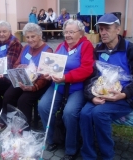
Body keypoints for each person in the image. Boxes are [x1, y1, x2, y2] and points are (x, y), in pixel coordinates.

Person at [80, 13, 133, 160]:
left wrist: (124, 94)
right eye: (101, 29)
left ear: (118, 30)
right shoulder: (98, 49)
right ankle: (88, 155)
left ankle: (107, 156)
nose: (103, 32)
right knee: (85, 113)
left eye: (107, 28)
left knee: (99, 114)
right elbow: (91, 77)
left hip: (126, 98)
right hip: (102, 95)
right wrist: (92, 96)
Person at [38, 19, 94, 160]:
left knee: (69, 113)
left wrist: (66, 77)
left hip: (77, 87)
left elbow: (87, 69)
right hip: (58, 85)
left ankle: (71, 148)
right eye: (66, 32)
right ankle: (51, 139)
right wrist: (48, 74)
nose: (68, 35)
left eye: (71, 32)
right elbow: (53, 66)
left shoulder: (86, 46)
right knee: (43, 106)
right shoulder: (61, 46)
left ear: (80, 33)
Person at [0, 23, 53, 131]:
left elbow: (45, 78)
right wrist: (21, 66)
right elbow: (16, 65)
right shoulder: (26, 48)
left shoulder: (47, 50)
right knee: (8, 96)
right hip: (23, 79)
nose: (30, 40)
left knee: (24, 100)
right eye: (27, 37)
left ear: (40, 36)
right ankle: (11, 122)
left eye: (33, 36)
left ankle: (24, 130)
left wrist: (32, 87)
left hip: (39, 83)